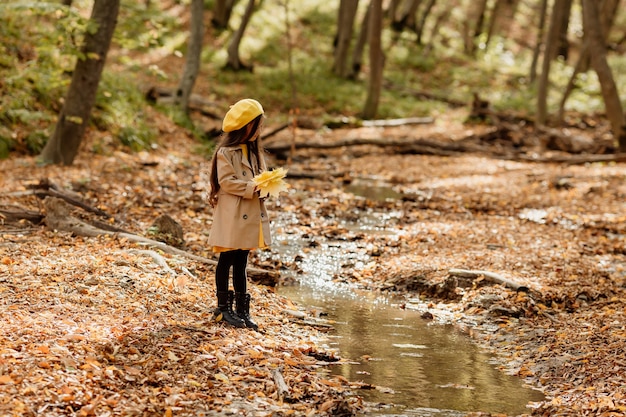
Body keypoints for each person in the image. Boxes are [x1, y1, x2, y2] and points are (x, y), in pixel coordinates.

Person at [206, 98, 270, 330]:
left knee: (242, 260)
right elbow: (226, 181)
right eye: (257, 125)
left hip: (249, 212)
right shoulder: (226, 152)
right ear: (246, 126)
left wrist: (266, 188)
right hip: (232, 213)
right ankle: (223, 308)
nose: (260, 130)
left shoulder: (254, 152)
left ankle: (243, 310)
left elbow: (261, 177)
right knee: (227, 259)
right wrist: (251, 188)